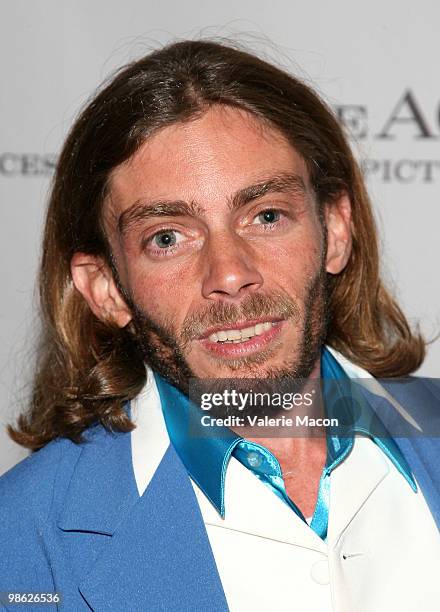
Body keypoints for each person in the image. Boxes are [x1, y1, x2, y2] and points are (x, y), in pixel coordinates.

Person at [1, 39, 439, 612]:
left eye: (265, 216)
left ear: (333, 230)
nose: (230, 274)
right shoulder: (24, 537)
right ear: (106, 289)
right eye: (167, 237)